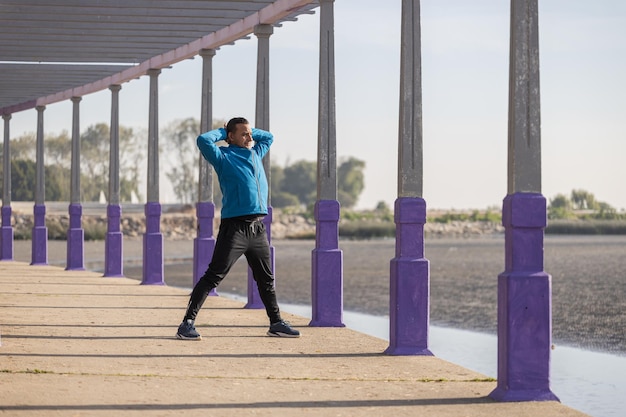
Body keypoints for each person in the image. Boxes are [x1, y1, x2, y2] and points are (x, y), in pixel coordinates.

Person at [176, 117, 300, 340]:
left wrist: (249, 131)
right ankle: (187, 324)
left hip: (257, 229)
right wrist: (224, 133)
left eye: (250, 134)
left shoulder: (255, 153)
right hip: (235, 229)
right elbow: (203, 140)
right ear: (231, 136)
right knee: (214, 276)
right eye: (243, 134)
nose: (249, 138)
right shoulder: (223, 157)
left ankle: (276, 323)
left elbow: (269, 137)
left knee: (266, 279)